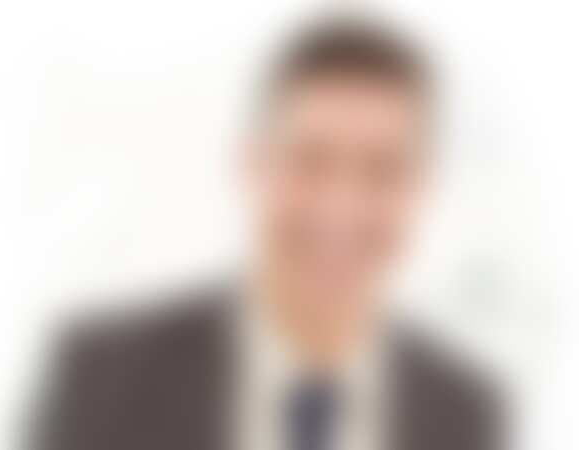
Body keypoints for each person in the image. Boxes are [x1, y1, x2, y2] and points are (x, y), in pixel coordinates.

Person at [31, 16, 503, 450]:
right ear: (253, 165)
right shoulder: (103, 383)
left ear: (420, 189)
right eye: (310, 161)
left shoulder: (465, 414)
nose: (339, 207)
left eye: (381, 170)